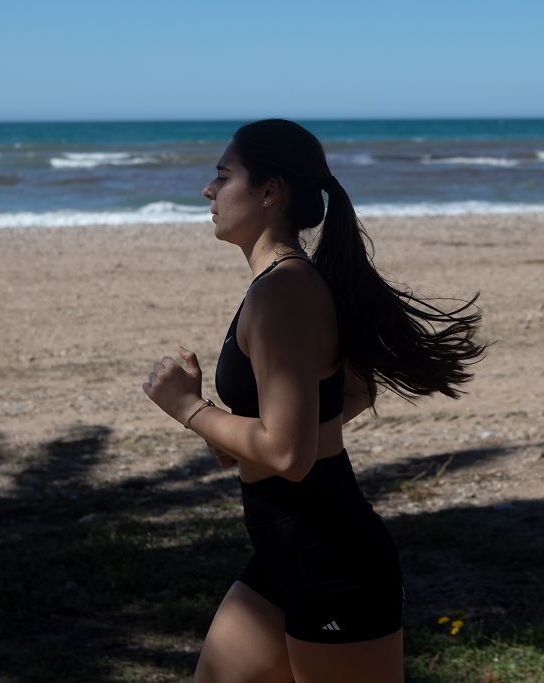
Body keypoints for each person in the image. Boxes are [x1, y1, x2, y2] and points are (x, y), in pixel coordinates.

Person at [142, 119, 484, 683]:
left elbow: (289, 455)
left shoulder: (285, 293)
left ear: (270, 191)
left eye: (223, 176)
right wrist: (244, 440)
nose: (208, 190)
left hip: (331, 562)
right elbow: (351, 392)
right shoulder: (290, 283)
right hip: (285, 556)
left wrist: (189, 410)